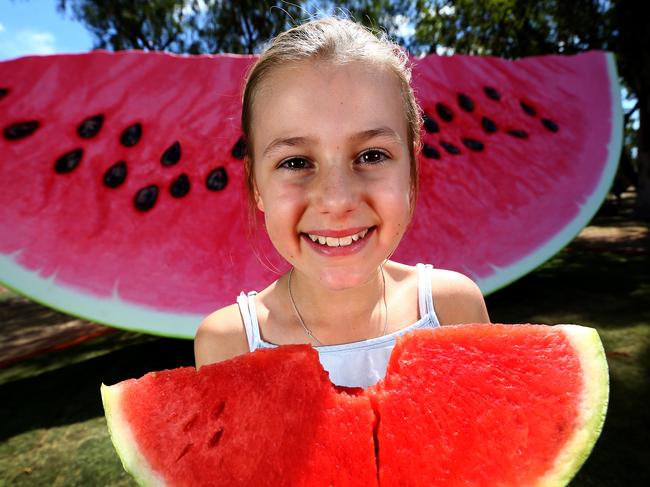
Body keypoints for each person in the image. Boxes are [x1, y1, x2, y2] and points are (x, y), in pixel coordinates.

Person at [194, 16, 490, 387]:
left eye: (371, 156)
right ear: (256, 185)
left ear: (411, 169)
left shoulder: (452, 307)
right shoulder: (228, 342)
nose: (337, 200)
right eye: (296, 162)